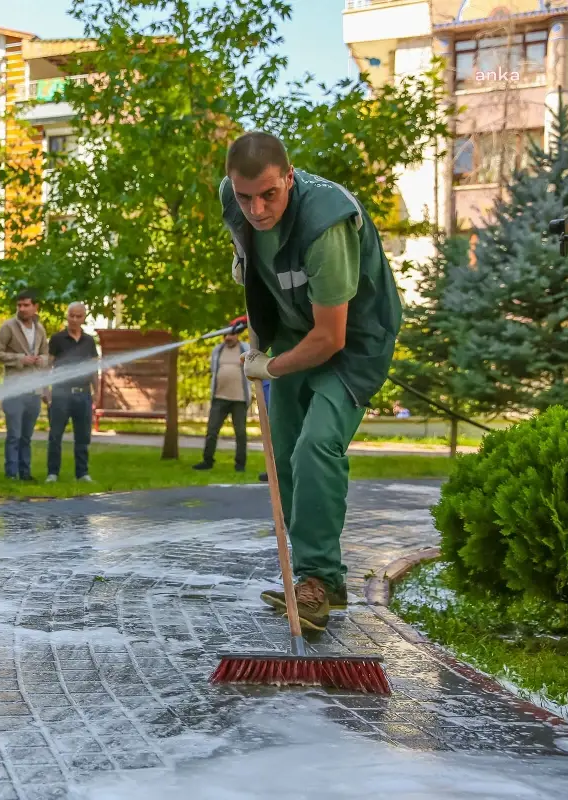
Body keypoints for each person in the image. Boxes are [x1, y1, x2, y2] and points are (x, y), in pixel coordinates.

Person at [219, 131, 402, 632]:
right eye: (245, 196)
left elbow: (331, 338)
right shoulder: (232, 201)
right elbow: (256, 256)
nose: (256, 208)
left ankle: (318, 581)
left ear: (290, 178)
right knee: (283, 456)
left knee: (315, 446)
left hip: (351, 342)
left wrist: (270, 368)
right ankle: (313, 576)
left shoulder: (325, 224)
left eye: (269, 195)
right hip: (297, 332)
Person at [0, 290, 49, 481]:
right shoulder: (8, 327)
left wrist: (42, 360)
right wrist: (20, 359)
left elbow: (47, 355)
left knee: (26, 437)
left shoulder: (40, 329)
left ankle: (25, 473)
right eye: (19, 305)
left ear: (35, 307)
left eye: (26, 305)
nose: (22, 308)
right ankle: (11, 475)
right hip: (14, 390)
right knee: (14, 435)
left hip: (34, 391)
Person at [45, 302, 98, 483]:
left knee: (83, 436)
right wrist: (46, 390)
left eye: (78, 316)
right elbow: (48, 366)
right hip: (60, 393)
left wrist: (97, 393)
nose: (74, 319)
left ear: (84, 318)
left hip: (83, 394)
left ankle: (82, 474)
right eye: (71, 316)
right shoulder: (57, 339)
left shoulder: (89, 341)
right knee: (55, 435)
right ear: (66, 316)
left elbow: (94, 369)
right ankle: (52, 473)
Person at [193, 322, 250, 473]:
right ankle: (207, 461)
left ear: (237, 335)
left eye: (231, 335)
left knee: (240, 433)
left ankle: (240, 464)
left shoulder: (246, 349)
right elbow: (214, 370)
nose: (228, 338)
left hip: (239, 399)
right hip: (219, 397)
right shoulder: (217, 350)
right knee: (212, 431)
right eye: (225, 336)